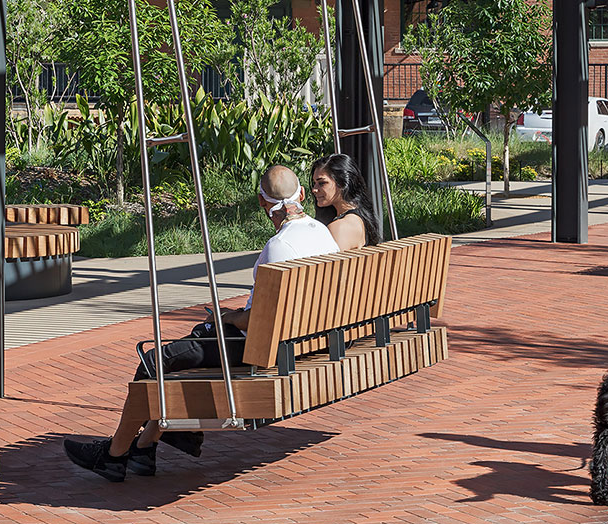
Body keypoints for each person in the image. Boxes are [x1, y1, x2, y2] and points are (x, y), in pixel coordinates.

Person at [64, 164, 338, 482]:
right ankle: (146, 446)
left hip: (260, 348)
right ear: (302, 194)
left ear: (262, 202)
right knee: (193, 345)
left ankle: (114, 456)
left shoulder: (280, 247)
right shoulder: (321, 233)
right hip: (304, 340)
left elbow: (257, 321)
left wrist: (227, 317)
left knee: (154, 362)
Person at [310, 153, 380, 249]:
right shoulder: (360, 218)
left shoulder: (340, 228)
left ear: (342, 183)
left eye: (322, 183)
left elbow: (331, 264)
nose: (314, 189)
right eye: (315, 183)